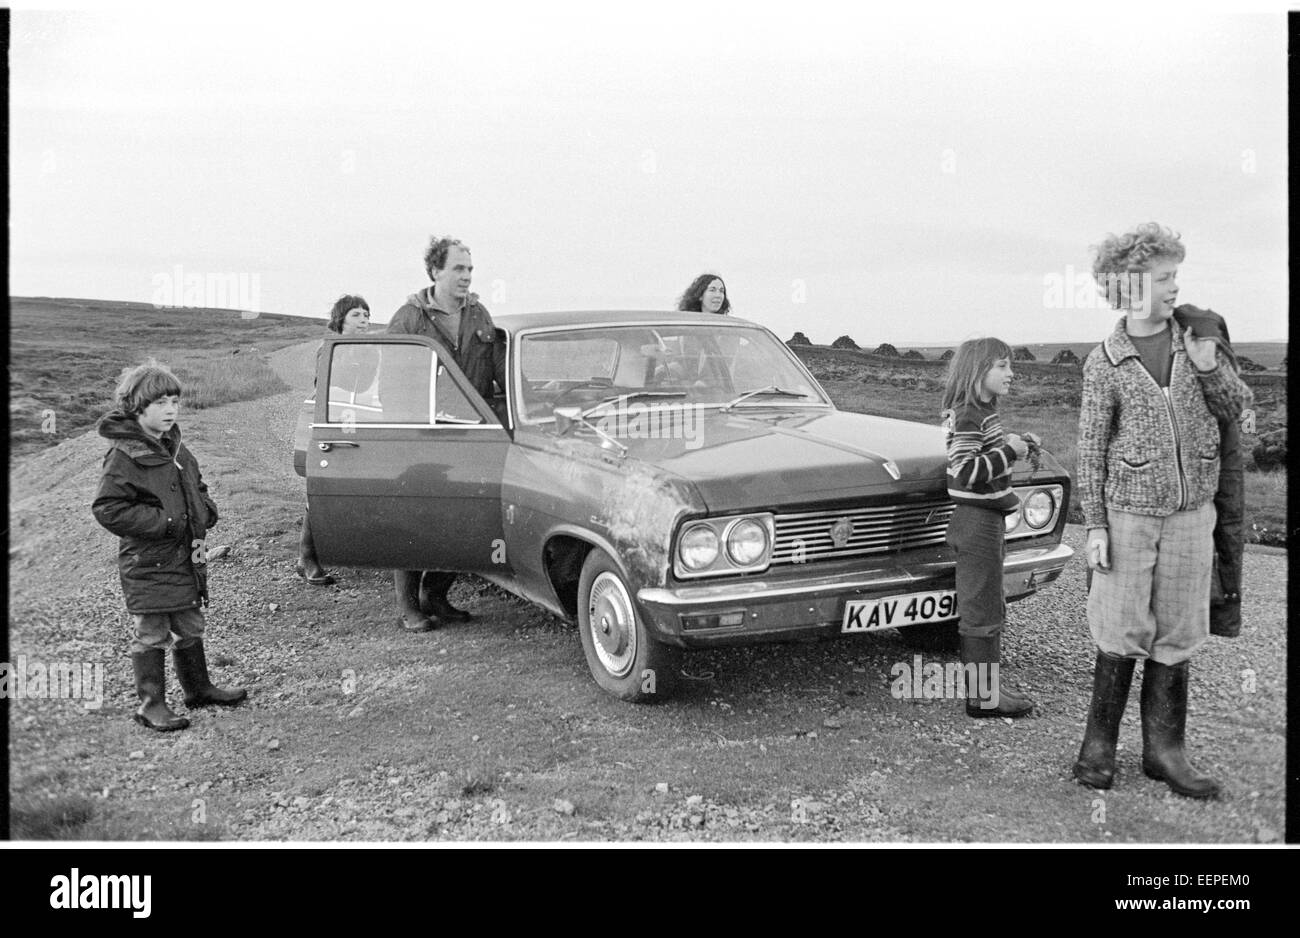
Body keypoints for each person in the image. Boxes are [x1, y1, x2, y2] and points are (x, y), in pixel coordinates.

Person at [1072, 223, 1250, 799]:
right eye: (1165, 276)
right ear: (1129, 287)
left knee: (1178, 630)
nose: (1176, 287)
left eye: (1177, 274)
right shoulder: (1105, 362)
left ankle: (1164, 752)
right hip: (1128, 515)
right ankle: (1098, 746)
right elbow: (1091, 448)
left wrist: (1206, 365)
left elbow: (1236, 409)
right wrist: (1095, 525)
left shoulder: (1196, 339)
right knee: (1121, 627)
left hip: (1192, 514)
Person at [92, 361, 247, 732]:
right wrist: (167, 523)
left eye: (174, 401)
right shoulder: (124, 455)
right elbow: (108, 508)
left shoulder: (175, 446)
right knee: (152, 631)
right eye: (160, 402)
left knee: (190, 623)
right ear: (136, 406)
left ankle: (199, 689)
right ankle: (151, 705)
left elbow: (197, 484)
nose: (170, 410)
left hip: (187, 557)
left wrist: (205, 510)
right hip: (149, 562)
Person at [386, 236, 506, 633]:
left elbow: (497, 375)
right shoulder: (408, 318)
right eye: (458, 268)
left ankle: (436, 594)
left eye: (470, 269)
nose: (467, 276)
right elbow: (392, 383)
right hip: (423, 435)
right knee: (416, 520)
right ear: (435, 271)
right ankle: (408, 606)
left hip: (471, 435)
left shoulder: (479, 314)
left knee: (467, 519)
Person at [941, 337, 1039, 718]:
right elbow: (964, 472)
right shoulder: (967, 414)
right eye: (1002, 366)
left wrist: (1019, 443)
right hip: (976, 522)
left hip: (989, 519)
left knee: (991, 603)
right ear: (977, 370)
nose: (1011, 373)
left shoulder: (982, 413)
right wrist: (1009, 451)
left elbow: (984, 456)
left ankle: (990, 687)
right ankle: (982, 698)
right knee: (980, 607)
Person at [296, 295, 374, 586]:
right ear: (341, 318)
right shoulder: (329, 348)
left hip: (360, 419)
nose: (364, 319)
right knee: (321, 487)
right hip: (331, 421)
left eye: (366, 314)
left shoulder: (371, 351)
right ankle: (307, 558)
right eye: (356, 314)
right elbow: (325, 386)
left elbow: (367, 387)